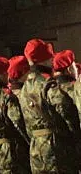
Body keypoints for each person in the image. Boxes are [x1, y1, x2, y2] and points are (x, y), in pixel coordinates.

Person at [17, 39, 76, 174]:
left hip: (35, 148)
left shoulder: (24, 88)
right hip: (56, 148)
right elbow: (66, 112)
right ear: (46, 59)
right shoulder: (47, 84)